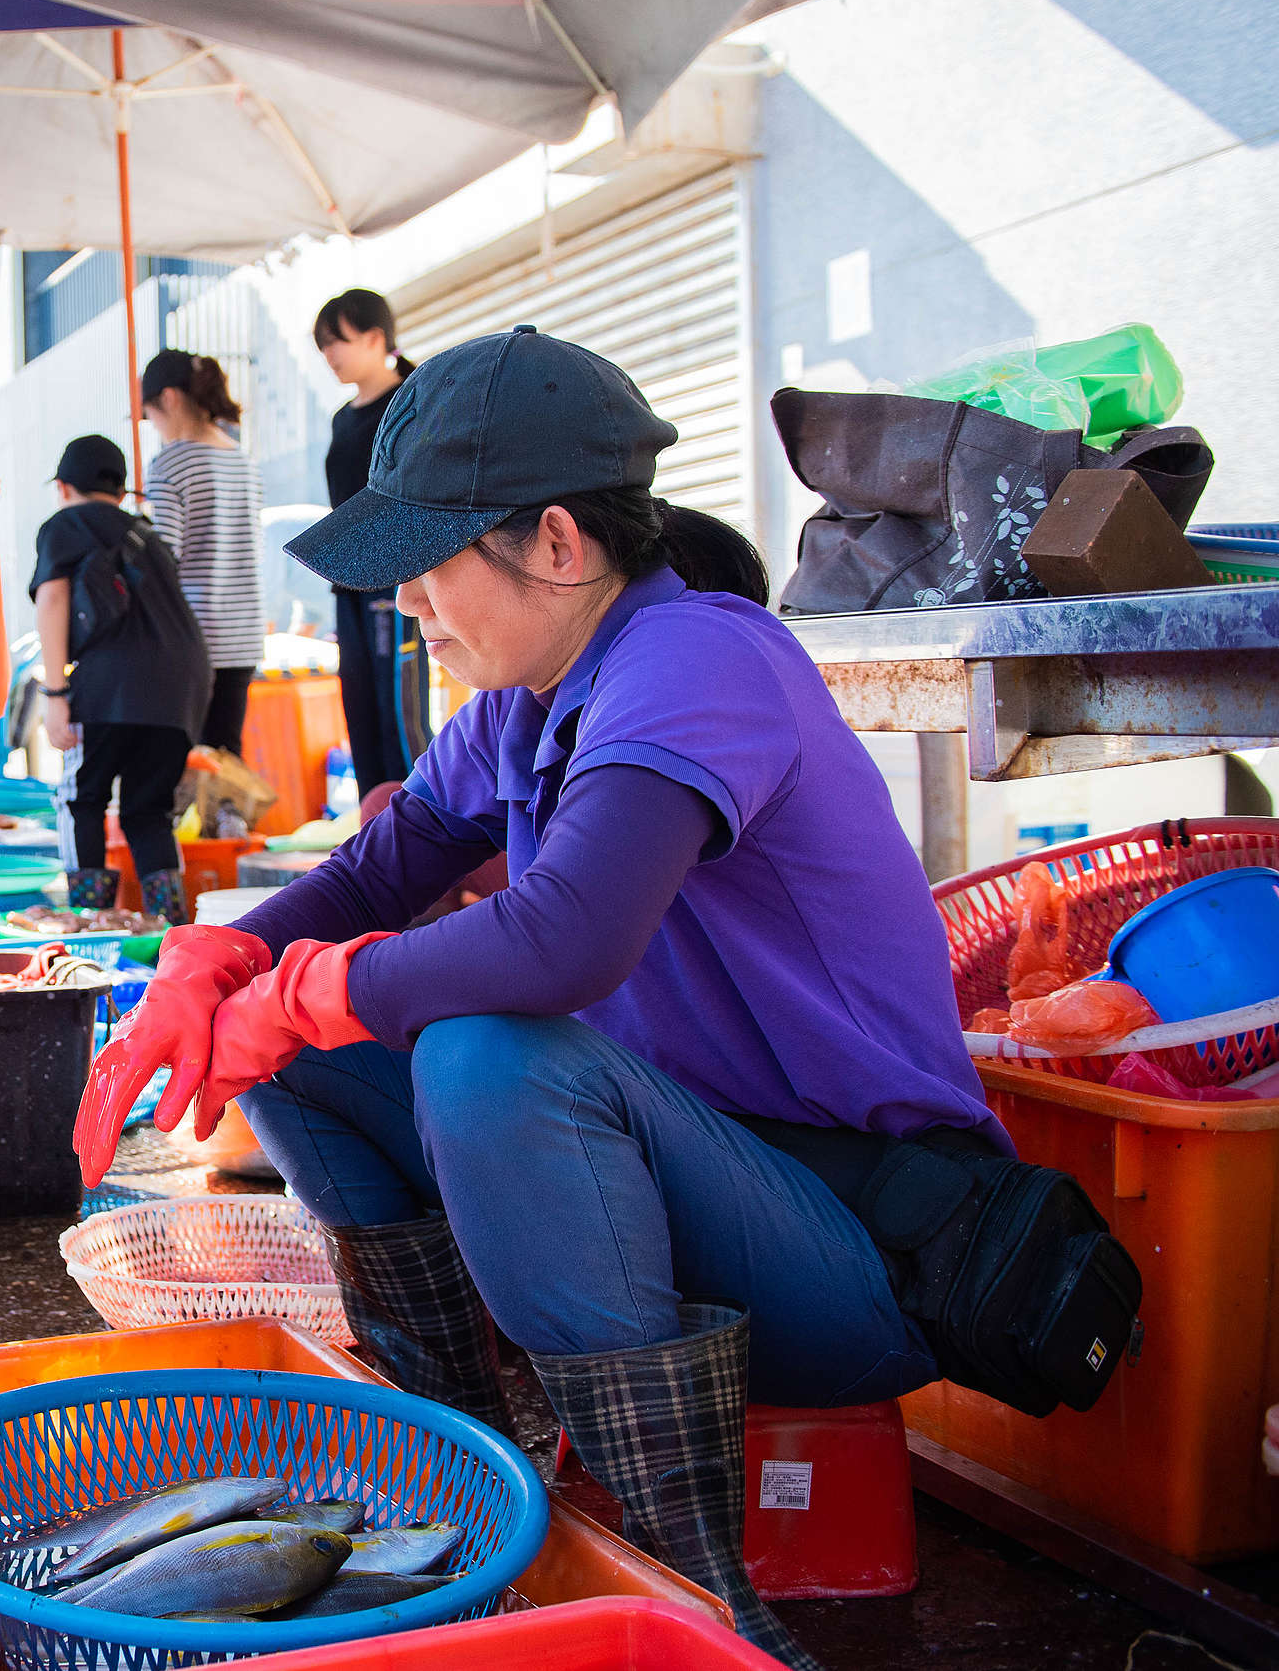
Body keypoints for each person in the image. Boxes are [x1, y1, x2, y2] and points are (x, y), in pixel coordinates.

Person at [74, 327, 1005, 1670]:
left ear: (558, 544)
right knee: (292, 1031)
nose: (410, 608)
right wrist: (219, 965)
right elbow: (378, 868)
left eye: (428, 570)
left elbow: (563, 942)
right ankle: (457, 1469)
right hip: (693, 1185)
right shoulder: (525, 698)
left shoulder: (698, 659)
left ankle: (692, 1592)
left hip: (867, 1239)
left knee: (485, 1059)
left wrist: (315, 989)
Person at [31, 435, 211, 923]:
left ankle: (88, 928)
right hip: (182, 690)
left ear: (65, 486)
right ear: (119, 488)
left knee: (80, 799)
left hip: (108, 688)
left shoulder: (64, 524)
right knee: (148, 812)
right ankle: (171, 935)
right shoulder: (149, 535)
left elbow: (53, 601)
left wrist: (55, 693)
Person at [314, 289, 416, 797]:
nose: (330, 354)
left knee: (397, 712)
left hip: (396, 580)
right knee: (359, 712)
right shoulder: (341, 417)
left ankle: (421, 831)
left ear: (377, 338)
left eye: (339, 341)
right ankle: (375, 833)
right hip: (346, 580)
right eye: (323, 345)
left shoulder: (410, 401)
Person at [140, 349, 264, 755]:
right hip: (243, 636)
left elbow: (164, 557)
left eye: (150, 414)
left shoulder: (170, 463)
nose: (154, 427)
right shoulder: (243, 460)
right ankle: (230, 822)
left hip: (193, 637)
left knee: (185, 762)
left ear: (170, 399)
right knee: (226, 759)